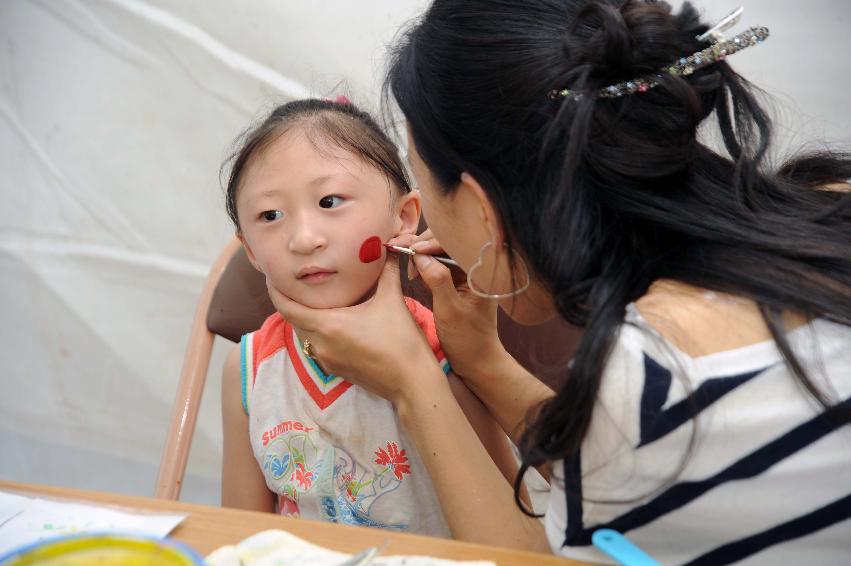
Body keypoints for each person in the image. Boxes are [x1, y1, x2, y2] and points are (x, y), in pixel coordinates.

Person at [266, 1, 851, 564]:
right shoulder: (829, 199)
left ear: (477, 206)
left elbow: (535, 552)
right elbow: (604, 466)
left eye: (423, 186)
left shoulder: (654, 382)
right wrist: (481, 361)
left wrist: (414, 384)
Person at [219, 98, 519, 537]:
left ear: (403, 218)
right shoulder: (247, 370)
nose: (303, 239)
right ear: (250, 250)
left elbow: (512, 524)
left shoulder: (449, 354)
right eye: (271, 215)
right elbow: (242, 537)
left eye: (330, 200)